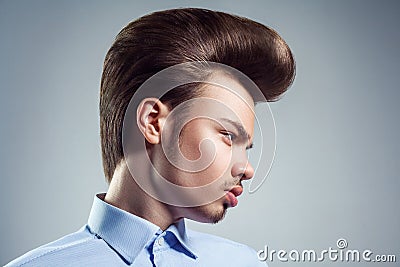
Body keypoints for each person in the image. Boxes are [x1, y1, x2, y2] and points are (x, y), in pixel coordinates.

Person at [6, 8, 295, 266]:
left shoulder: (242, 262)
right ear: (154, 122)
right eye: (228, 136)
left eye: (247, 148)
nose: (247, 169)